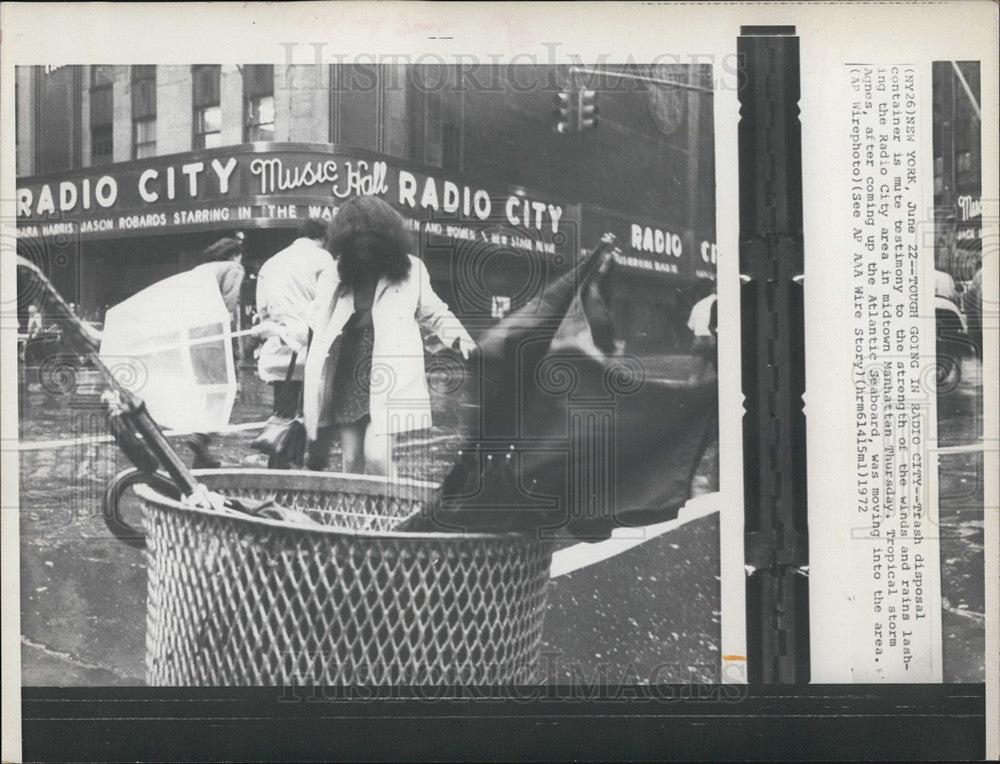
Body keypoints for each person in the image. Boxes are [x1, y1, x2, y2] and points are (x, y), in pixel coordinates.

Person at [301, 196, 476, 476]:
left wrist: (461, 339)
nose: (363, 248)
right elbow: (316, 322)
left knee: (377, 457)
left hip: (392, 374)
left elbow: (434, 312)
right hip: (348, 372)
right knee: (351, 462)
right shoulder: (335, 274)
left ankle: (390, 515)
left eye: (369, 238)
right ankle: (360, 518)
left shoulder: (411, 270)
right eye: (356, 240)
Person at [253, 217, 333, 467]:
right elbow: (329, 305)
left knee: (283, 418)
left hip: (282, 350)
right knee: (314, 421)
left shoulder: (271, 263)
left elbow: (263, 310)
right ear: (324, 237)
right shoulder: (324, 260)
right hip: (314, 351)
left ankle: (278, 474)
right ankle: (308, 477)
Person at [186, 237, 246, 469]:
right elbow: (228, 304)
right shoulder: (233, 268)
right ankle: (201, 437)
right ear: (235, 254)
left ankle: (202, 458)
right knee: (223, 393)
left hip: (194, 339)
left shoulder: (198, 270)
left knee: (208, 394)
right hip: (216, 338)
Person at [687, 278, 717, 384]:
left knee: (696, 375)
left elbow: (691, 326)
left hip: (700, 340)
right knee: (724, 375)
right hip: (716, 340)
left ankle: (690, 398)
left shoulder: (698, 305)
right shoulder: (723, 302)